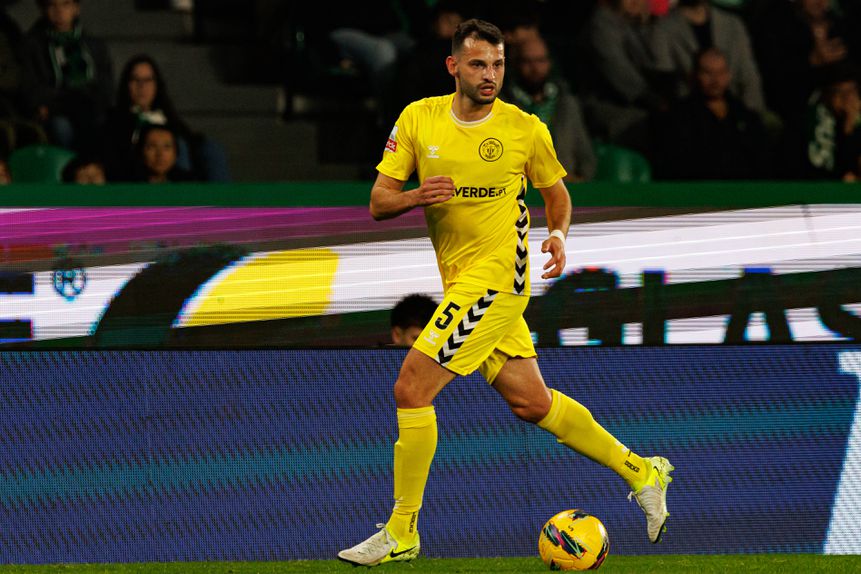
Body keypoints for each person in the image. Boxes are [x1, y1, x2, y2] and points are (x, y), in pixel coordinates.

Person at [337, 18, 673, 568]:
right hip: (461, 281)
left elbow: (556, 195)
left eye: (497, 64)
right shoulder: (418, 119)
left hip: (498, 280)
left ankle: (402, 531)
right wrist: (419, 194)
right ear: (453, 67)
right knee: (531, 402)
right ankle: (643, 471)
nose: (490, 74)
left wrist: (558, 234)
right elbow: (378, 201)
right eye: (477, 64)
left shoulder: (524, 128)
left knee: (411, 388)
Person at [102, 54, 230, 182]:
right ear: (126, 84)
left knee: (210, 148)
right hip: (134, 178)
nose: (141, 86)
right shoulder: (114, 121)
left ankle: (219, 199)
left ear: (157, 84)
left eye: (147, 80)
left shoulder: (168, 118)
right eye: (135, 80)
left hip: (179, 174)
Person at [654, 47, 771, 180]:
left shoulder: (745, 116)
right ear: (694, 75)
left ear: (728, 75)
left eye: (721, 72)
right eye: (708, 73)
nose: (715, 80)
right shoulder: (678, 117)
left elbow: (761, 159)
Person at [577, 0, 672, 154]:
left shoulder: (629, 23)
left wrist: (646, 25)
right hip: (609, 109)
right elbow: (627, 82)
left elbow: (655, 64)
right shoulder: (600, 26)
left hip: (640, 105)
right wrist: (661, 104)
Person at [20, 0, 114, 156]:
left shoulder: (94, 46)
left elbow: (106, 86)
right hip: (56, 111)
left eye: (65, 4)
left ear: (76, 8)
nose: (59, 11)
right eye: (52, 5)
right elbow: (30, 87)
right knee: (61, 127)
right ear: (43, 9)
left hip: (91, 108)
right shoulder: (33, 45)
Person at [504, 35, 597, 182]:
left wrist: (580, 180)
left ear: (549, 63)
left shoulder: (566, 103)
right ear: (515, 64)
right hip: (521, 191)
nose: (535, 68)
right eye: (527, 61)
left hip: (566, 188)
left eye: (541, 60)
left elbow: (585, 154)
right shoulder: (503, 106)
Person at [650, 0, 766, 114]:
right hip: (692, 116)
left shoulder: (732, 24)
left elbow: (748, 74)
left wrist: (752, 115)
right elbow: (666, 79)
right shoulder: (663, 29)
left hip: (735, 111)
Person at [132, 123, 196, 183]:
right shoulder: (128, 183)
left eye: (167, 147)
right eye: (152, 146)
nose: (160, 154)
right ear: (140, 150)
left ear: (176, 152)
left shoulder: (188, 183)